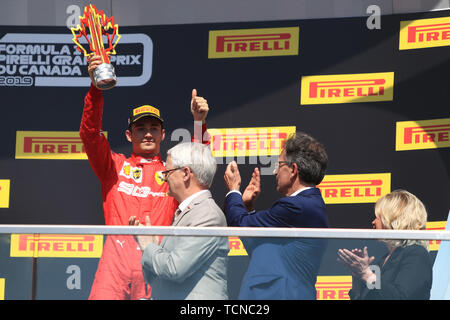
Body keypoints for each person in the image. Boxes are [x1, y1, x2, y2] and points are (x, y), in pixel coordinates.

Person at [80, 55, 210, 300]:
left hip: (154, 267)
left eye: (153, 129)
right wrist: (95, 91)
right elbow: (89, 135)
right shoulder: (114, 167)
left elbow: (199, 166)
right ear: (129, 135)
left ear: (163, 134)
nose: (148, 134)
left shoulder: (172, 173)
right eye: (141, 128)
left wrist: (199, 123)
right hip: (113, 270)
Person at [223, 131, 329, 300]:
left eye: (279, 165)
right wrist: (248, 206)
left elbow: (240, 223)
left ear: (293, 169)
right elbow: (259, 248)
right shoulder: (306, 205)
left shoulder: (296, 206)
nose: (274, 172)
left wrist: (234, 190)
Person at [131, 142, 229, 300]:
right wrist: (151, 247)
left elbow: (174, 269)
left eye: (167, 172)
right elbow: (157, 279)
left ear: (185, 173)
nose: (163, 178)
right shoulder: (186, 213)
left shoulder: (207, 215)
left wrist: (149, 247)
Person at [337, 190, 433, 300]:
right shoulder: (382, 261)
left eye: (378, 217)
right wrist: (357, 276)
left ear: (394, 219)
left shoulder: (417, 254)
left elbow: (401, 296)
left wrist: (366, 274)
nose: (373, 222)